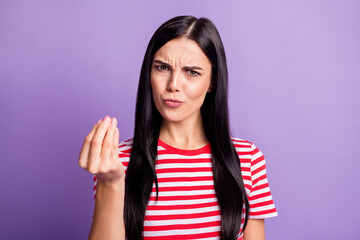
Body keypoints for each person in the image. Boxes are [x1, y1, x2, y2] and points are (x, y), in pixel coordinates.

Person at [78, 15, 277, 240]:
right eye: (162, 68)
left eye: (192, 72)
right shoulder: (117, 161)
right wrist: (111, 183)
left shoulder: (248, 159)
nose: (173, 85)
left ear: (212, 81)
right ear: (148, 73)